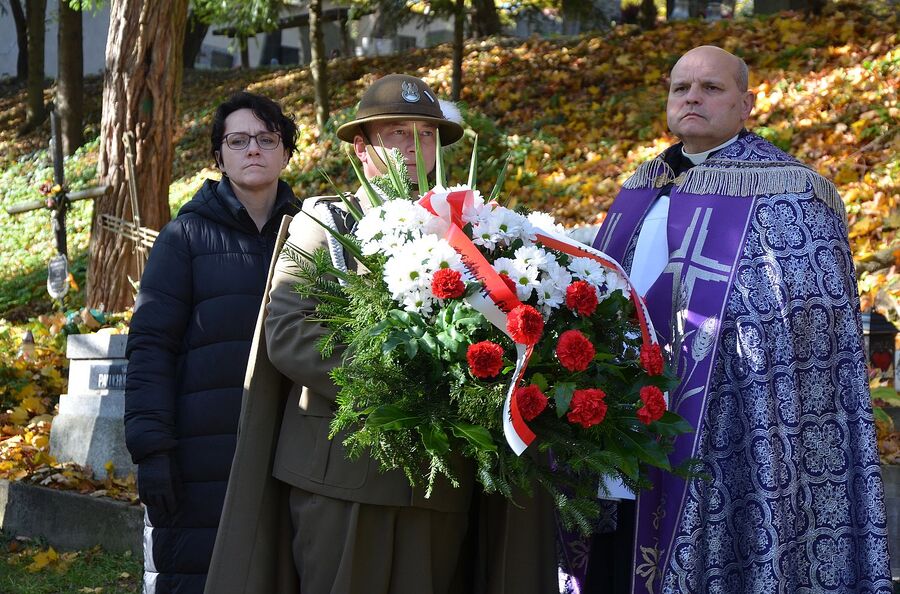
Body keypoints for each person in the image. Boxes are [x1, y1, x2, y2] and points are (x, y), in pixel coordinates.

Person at [205, 73, 559, 594]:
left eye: (427, 132)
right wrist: (404, 384)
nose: (414, 145)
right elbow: (289, 332)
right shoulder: (325, 223)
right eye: (395, 132)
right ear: (362, 146)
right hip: (343, 475)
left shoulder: (476, 230)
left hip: (440, 485)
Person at [584, 45, 893, 593]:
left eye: (711, 88)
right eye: (681, 88)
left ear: (747, 103)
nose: (692, 98)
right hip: (626, 406)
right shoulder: (641, 186)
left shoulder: (790, 192)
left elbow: (808, 317)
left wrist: (723, 342)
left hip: (725, 409)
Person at [124, 91, 300, 594]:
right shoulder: (184, 238)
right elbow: (151, 348)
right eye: (238, 140)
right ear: (218, 155)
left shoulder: (313, 238)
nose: (253, 150)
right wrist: (153, 450)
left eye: (267, 139)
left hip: (287, 453)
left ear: (286, 151)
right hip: (200, 460)